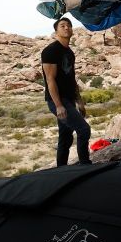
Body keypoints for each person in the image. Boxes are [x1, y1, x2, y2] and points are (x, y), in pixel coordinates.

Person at [41, 17, 92, 166]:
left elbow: (72, 78)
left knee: (65, 137)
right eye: (62, 25)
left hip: (68, 99)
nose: (66, 28)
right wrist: (58, 105)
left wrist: (79, 102)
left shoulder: (69, 52)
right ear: (56, 31)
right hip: (57, 100)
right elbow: (50, 80)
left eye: (69, 25)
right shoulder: (50, 51)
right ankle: (85, 165)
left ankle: (61, 169)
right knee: (84, 129)